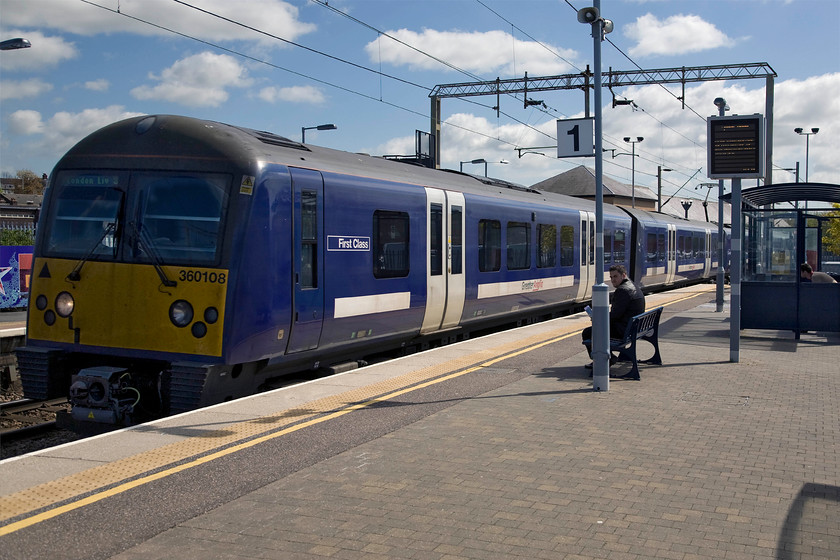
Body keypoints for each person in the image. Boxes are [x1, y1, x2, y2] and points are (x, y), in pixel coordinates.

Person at [582, 264, 646, 376]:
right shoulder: (633, 286)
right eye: (611, 277)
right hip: (632, 329)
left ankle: (603, 361)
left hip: (624, 331)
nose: (613, 280)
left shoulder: (622, 291)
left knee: (588, 333)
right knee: (595, 328)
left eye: (615, 276)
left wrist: (598, 320)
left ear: (623, 275)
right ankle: (609, 358)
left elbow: (615, 315)